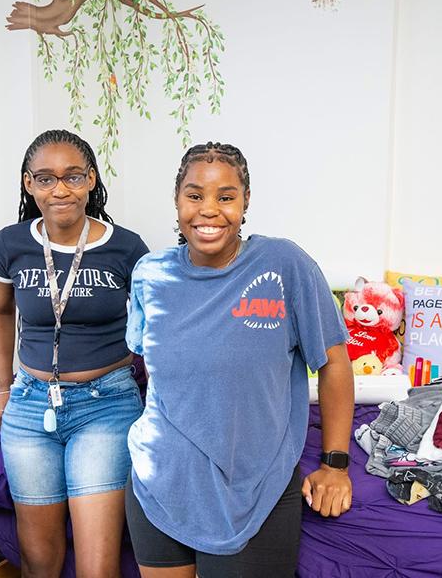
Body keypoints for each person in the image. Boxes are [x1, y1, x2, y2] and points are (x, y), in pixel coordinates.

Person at [124, 142, 355, 578]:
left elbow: (334, 362)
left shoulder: (284, 264)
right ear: (177, 200)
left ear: (245, 202)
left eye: (225, 196)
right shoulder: (150, 274)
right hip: (160, 478)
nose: (209, 210)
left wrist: (335, 464)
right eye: (195, 195)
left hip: (253, 487)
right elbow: (152, 371)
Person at [0, 129, 149, 578]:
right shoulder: (8, 245)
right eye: (46, 178)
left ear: (91, 179)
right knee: (39, 562)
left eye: (73, 176)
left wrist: (158, 404)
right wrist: (2, 388)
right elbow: (1, 312)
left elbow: (151, 330)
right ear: (29, 184)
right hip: (29, 405)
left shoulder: (127, 248)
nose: (60, 190)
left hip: (106, 404)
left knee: (97, 569)